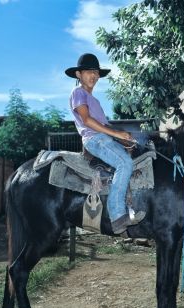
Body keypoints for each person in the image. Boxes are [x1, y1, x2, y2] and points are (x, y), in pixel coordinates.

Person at [65, 53, 145, 234]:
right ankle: (117, 216)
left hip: (104, 138)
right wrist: (115, 133)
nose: (93, 76)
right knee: (125, 163)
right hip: (95, 140)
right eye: (88, 72)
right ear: (78, 75)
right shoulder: (77, 93)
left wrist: (123, 137)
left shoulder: (95, 101)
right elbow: (86, 120)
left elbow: (104, 125)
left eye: (96, 72)